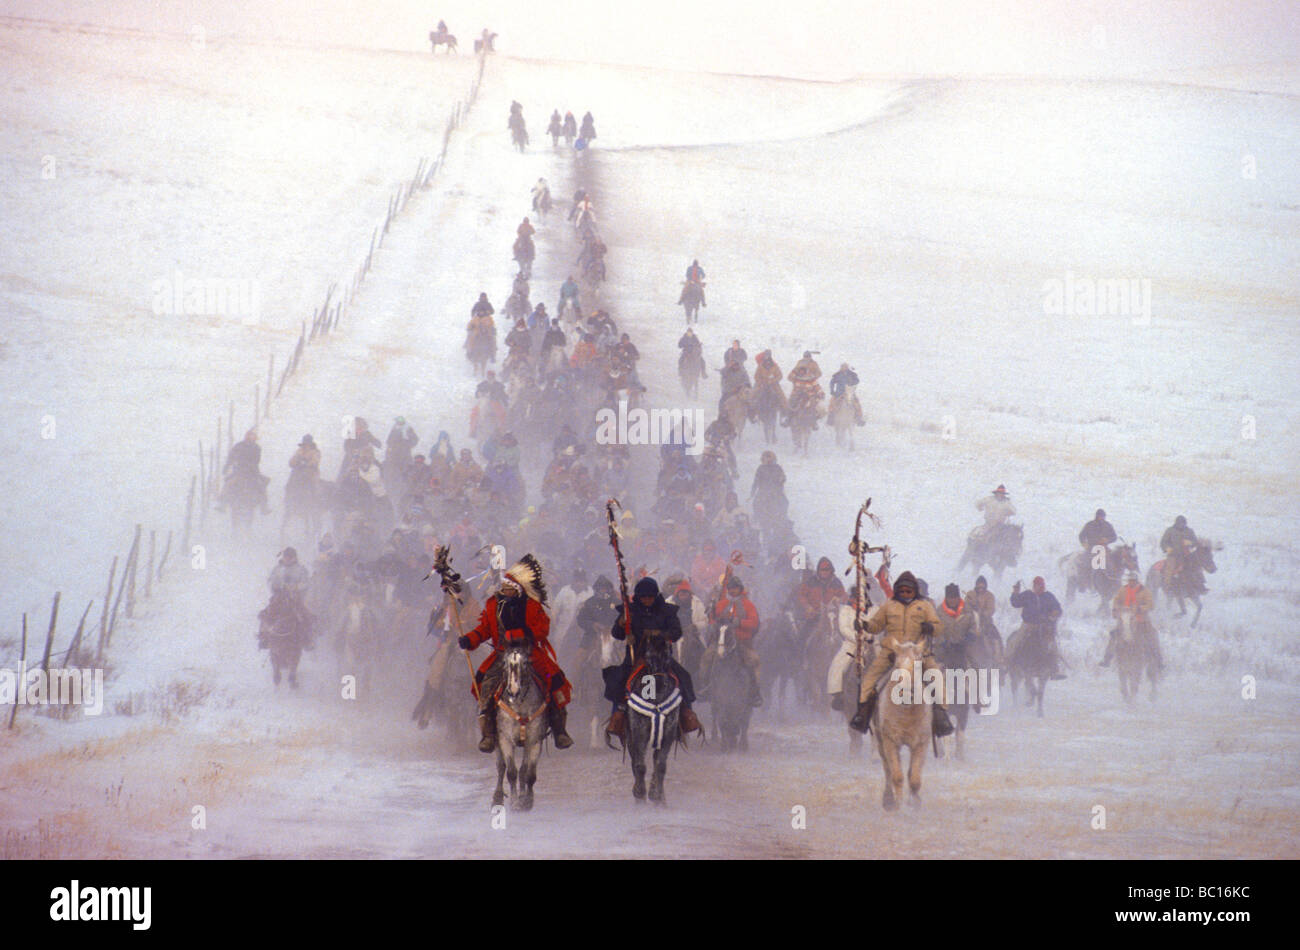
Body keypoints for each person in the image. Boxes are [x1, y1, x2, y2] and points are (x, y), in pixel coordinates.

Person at [459, 556, 574, 752]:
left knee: (554, 680)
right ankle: (488, 733)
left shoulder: (532, 605)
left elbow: (543, 628)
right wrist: (470, 639)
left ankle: (559, 729)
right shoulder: (493, 606)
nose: (505, 591)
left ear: (518, 589)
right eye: (503, 588)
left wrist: (522, 634)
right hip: (502, 654)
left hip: (530, 653)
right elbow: (484, 629)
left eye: (509, 588)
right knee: (484, 682)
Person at [848, 571, 955, 736]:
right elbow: (876, 625)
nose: (905, 594)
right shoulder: (889, 606)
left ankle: (941, 716)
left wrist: (931, 628)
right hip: (891, 651)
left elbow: (939, 627)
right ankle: (863, 714)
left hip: (919, 653)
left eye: (909, 591)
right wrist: (864, 625)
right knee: (869, 679)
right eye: (902, 591)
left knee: (937, 678)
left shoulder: (924, 606)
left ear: (915, 591)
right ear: (897, 590)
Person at [603, 577, 703, 741]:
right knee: (618, 680)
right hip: (636, 658)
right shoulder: (629, 610)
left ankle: (687, 714)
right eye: (644, 597)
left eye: (650, 597)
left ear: (655, 596)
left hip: (662, 657)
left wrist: (661, 634)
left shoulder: (667, 611)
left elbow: (676, 633)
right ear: (638, 597)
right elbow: (616, 635)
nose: (647, 600)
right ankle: (617, 716)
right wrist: (622, 624)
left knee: (683, 677)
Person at [701, 575, 763, 707]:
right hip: (721, 642)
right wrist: (713, 624)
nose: (733, 591)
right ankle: (705, 686)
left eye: (735, 588)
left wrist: (739, 622)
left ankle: (754, 692)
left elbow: (754, 623)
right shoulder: (720, 604)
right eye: (730, 588)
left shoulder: (748, 605)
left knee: (754, 661)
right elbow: (712, 619)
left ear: (740, 589)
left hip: (742, 642)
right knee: (707, 658)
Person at [1006, 576, 1066, 680]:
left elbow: (1058, 609)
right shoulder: (1028, 595)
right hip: (1028, 625)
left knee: (1052, 645)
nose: (1038, 588)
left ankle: (1054, 669)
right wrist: (1015, 592)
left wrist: (1054, 614)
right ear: (1033, 586)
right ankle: (1007, 663)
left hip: (1044, 627)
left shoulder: (1049, 596)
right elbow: (1015, 603)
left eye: (1040, 585)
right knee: (1016, 640)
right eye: (1036, 585)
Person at [1102, 571, 1163, 671]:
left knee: (1152, 635)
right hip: (1124, 618)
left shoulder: (1145, 591)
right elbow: (1116, 601)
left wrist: (1140, 608)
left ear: (1136, 581)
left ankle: (1158, 660)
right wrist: (1116, 609)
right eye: (1129, 581)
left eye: (1133, 581)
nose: (1131, 583)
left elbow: (1151, 604)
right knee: (1114, 635)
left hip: (1141, 619)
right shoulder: (1123, 590)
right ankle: (1107, 658)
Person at [222, 429, 270, 513]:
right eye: (250, 436)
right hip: (239, 471)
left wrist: (249, 466)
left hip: (252, 472)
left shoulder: (256, 447)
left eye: (253, 436)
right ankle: (222, 503)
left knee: (261, 485)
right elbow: (231, 457)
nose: (252, 438)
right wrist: (226, 467)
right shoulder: (238, 446)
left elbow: (256, 460)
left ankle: (264, 505)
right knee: (228, 483)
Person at [1159, 515, 1201, 588]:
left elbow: (1196, 542)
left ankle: (1200, 584)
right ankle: (1167, 585)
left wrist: (1190, 543)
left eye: (1183, 523)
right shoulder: (1170, 531)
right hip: (1173, 555)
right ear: (1176, 523)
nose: (1181, 525)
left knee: (1196, 566)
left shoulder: (1189, 531)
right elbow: (1163, 542)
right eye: (1179, 523)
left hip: (1187, 555)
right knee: (1169, 567)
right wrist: (1167, 548)